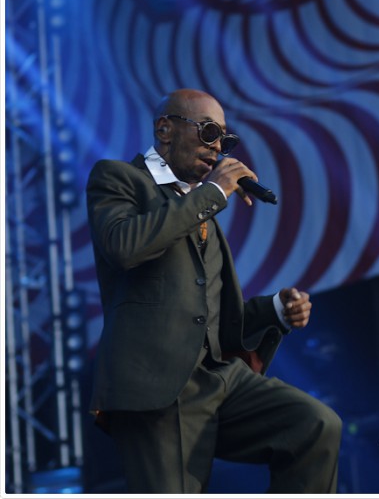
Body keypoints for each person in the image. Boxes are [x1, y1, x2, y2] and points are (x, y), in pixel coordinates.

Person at [86, 88, 342, 493]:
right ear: (165, 129)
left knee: (314, 424)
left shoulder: (196, 206)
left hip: (220, 380)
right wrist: (214, 193)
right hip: (156, 387)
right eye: (209, 132)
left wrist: (276, 309)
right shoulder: (120, 178)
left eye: (225, 139)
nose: (218, 147)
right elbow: (124, 247)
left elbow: (207, 313)